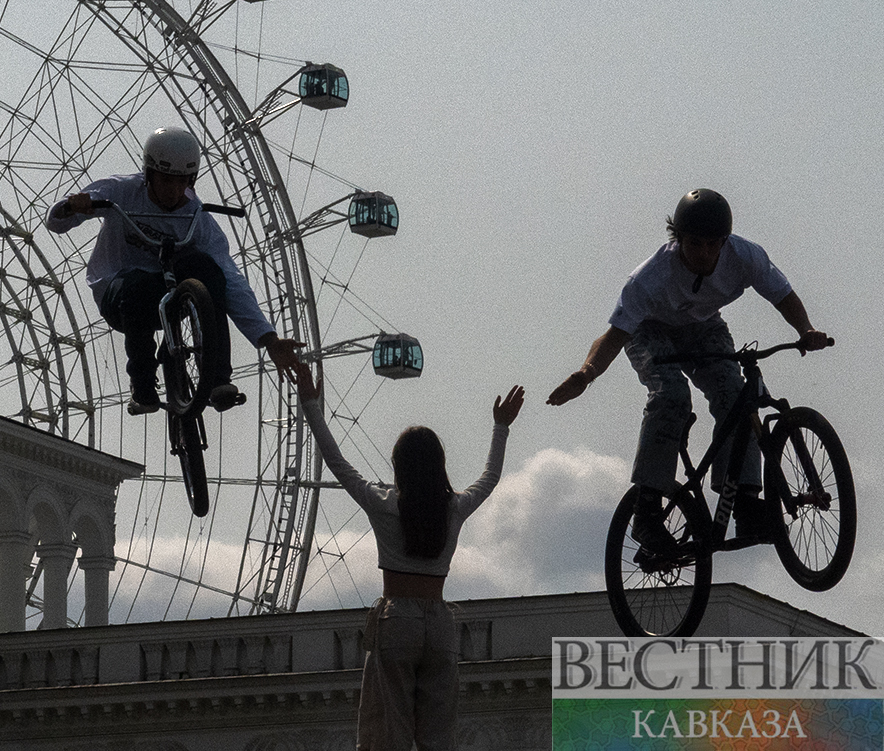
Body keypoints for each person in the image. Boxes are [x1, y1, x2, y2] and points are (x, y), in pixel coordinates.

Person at [546, 188, 829, 550]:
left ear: (725, 241)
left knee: (736, 395)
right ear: (678, 238)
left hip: (705, 327)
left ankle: (744, 502)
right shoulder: (649, 278)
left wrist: (805, 330)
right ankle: (647, 511)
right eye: (695, 244)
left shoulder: (745, 256)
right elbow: (616, 335)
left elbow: (783, 295)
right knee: (672, 396)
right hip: (649, 331)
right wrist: (586, 374)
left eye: (713, 245)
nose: (705, 254)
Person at [296, 366, 523, 751]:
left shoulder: (383, 504)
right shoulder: (454, 507)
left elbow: (337, 463)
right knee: (439, 736)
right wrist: (500, 427)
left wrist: (311, 406)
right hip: (440, 624)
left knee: (388, 733)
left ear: (398, 465)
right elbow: (490, 477)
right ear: (440, 465)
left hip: (397, 619)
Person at [46, 127, 306, 413]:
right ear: (149, 174)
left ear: (191, 180)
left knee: (207, 268)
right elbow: (56, 223)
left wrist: (269, 339)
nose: (173, 191)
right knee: (136, 284)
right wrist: (71, 207)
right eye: (166, 180)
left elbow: (230, 281)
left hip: (168, 293)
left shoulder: (196, 216)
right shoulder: (120, 191)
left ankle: (218, 378)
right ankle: (143, 385)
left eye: (181, 182)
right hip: (119, 294)